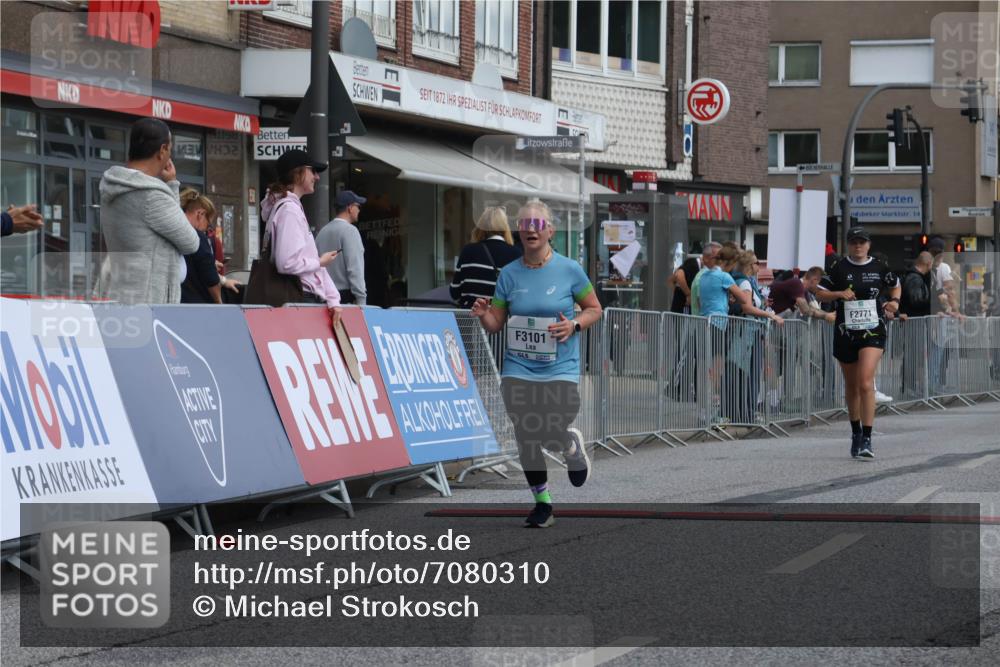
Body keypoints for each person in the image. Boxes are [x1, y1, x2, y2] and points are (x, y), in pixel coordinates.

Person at [470, 200, 603, 528]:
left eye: (538, 223)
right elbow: (497, 322)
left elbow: (594, 308)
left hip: (560, 367)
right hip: (518, 367)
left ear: (550, 231)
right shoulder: (509, 274)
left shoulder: (569, 269)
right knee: (525, 433)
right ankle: (542, 504)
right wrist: (484, 313)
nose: (531, 228)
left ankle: (569, 444)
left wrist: (573, 325)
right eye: (525, 223)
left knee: (548, 427)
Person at [816, 226, 900, 460]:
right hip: (846, 331)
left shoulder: (880, 267)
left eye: (862, 242)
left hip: (873, 330)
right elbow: (819, 292)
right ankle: (855, 432)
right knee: (852, 386)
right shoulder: (838, 267)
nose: (858, 246)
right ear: (849, 244)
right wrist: (838, 294)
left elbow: (896, 284)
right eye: (854, 242)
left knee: (865, 382)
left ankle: (867, 437)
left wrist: (895, 302)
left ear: (869, 245)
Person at [96, 118, 199, 304]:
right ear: (162, 151)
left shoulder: (113, 186)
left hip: (117, 293)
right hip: (149, 301)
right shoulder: (152, 196)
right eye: (170, 149)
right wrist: (172, 185)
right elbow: (190, 242)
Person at [260, 149, 342, 325]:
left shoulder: (287, 208)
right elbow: (287, 263)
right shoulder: (290, 210)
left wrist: (333, 298)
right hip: (300, 298)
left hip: (298, 297)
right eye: (312, 171)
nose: (317, 177)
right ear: (298, 174)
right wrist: (320, 262)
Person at [450, 206, 522, 308]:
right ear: (505, 227)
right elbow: (518, 294)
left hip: (469, 318)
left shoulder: (468, 250)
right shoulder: (516, 254)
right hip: (500, 319)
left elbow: (454, 292)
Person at [179, 190, 240, 304]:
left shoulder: (174, 232)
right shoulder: (197, 237)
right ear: (200, 214)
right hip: (196, 304)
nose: (207, 229)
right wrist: (218, 302)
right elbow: (210, 279)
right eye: (208, 223)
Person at [316, 190, 367, 305]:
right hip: (344, 299)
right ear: (350, 208)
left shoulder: (322, 232)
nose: (359, 210)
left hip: (323, 298)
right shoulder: (350, 231)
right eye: (357, 206)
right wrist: (361, 300)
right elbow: (355, 269)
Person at [770, 267, 835, 323]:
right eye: (819, 282)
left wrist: (828, 314)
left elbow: (813, 309)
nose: (818, 286)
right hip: (770, 321)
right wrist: (825, 316)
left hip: (777, 321)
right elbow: (805, 310)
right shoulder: (796, 284)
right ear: (814, 280)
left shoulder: (804, 291)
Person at [669, 243, 715, 314]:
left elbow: (671, 280)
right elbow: (678, 275)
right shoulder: (694, 264)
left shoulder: (694, 265)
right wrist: (688, 294)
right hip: (683, 308)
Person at [688, 241, 722, 316]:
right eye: (717, 257)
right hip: (705, 323)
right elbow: (700, 302)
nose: (721, 260)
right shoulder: (703, 276)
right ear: (706, 258)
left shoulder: (708, 274)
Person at [899, 251, 933, 318]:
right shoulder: (914, 278)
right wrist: (933, 301)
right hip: (912, 320)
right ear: (929, 264)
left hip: (913, 320)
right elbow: (916, 301)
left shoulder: (914, 277)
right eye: (932, 264)